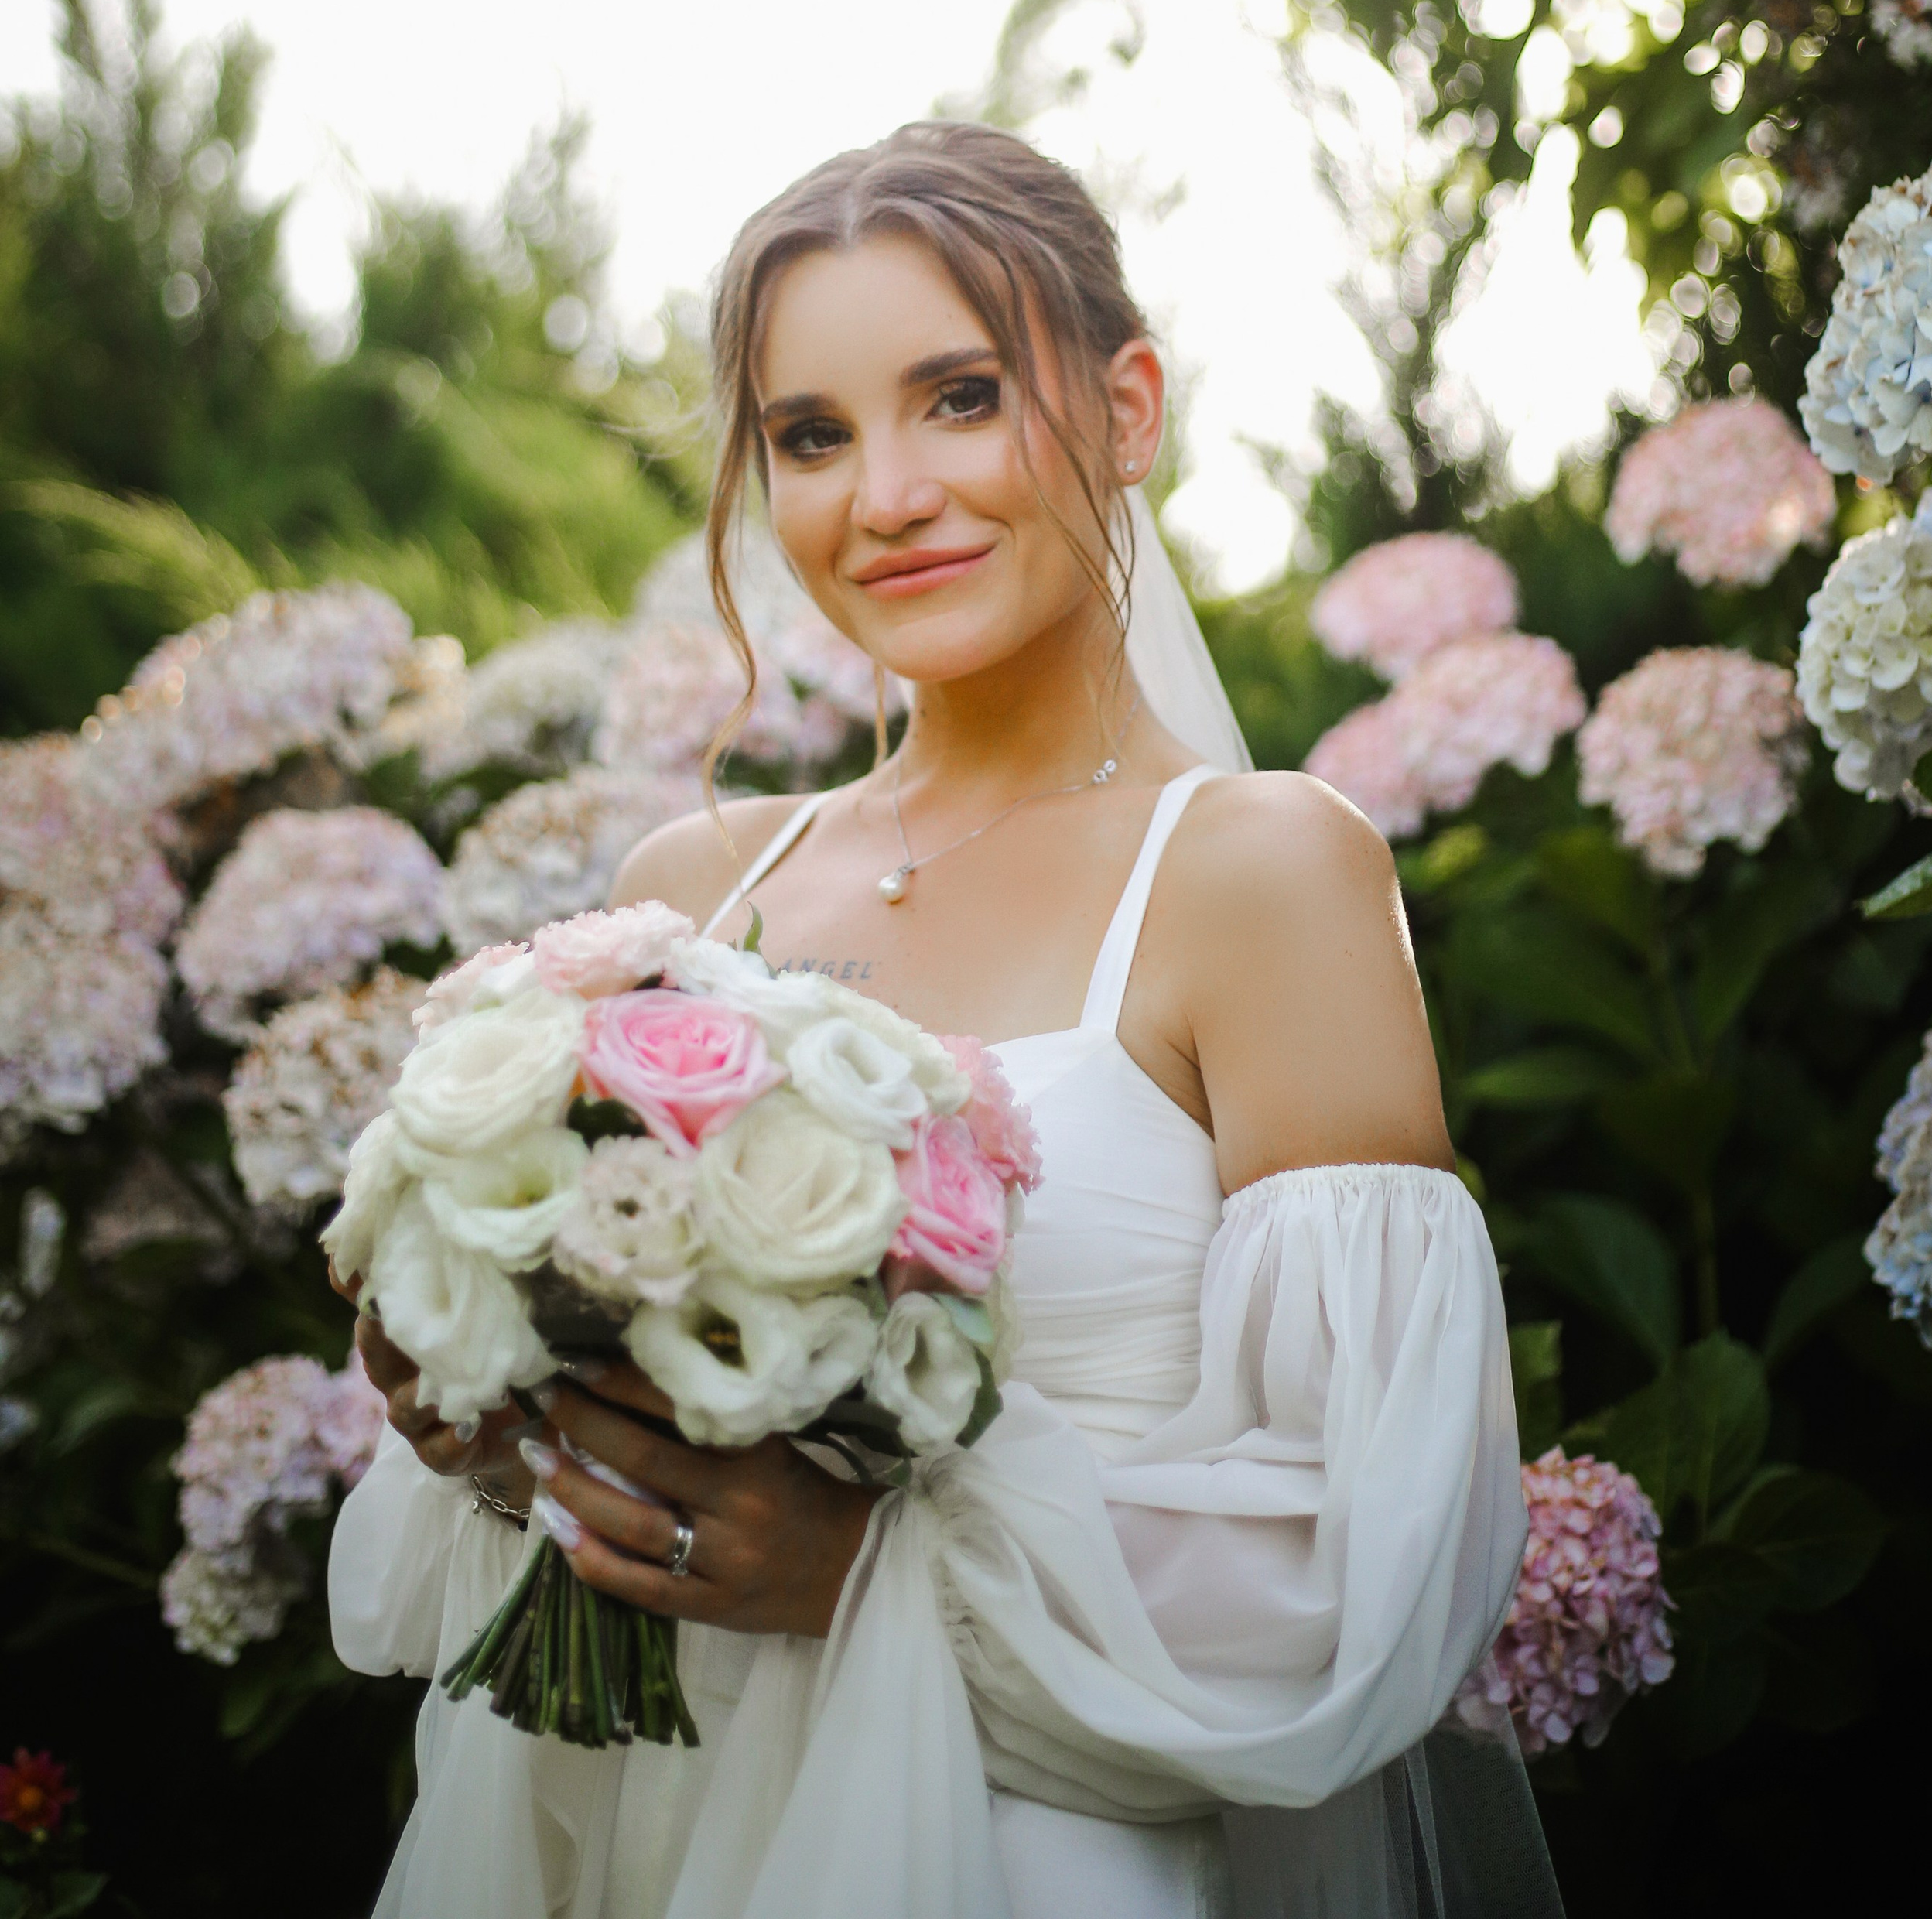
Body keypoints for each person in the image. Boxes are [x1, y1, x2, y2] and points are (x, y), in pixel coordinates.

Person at [329, 121, 1561, 1919]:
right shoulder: (694, 888)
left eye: (959, 399)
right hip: (649, 1840)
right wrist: (490, 1412)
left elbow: (1365, 1568)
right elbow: (480, 1576)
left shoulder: (1258, 873)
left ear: (1126, 410)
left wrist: (856, 1570)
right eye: (809, 436)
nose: (882, 494)